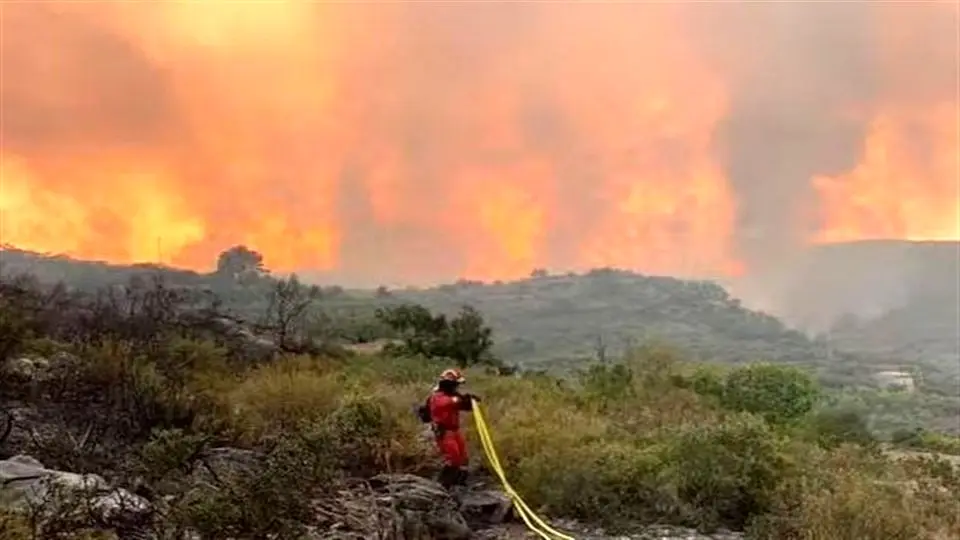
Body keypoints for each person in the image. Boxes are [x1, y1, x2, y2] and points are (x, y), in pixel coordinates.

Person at [425, 368, 480, 489]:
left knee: (463, 458)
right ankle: (442, 486)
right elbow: (446, 403)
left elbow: (460, 404)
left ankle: (460, 483)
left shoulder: (452, 396)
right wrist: (461, 399)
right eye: (456, 385)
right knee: (453, 459)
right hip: (444, 431)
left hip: (455, 430)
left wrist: (470, 402)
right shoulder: (437, 396)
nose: (457, 387)